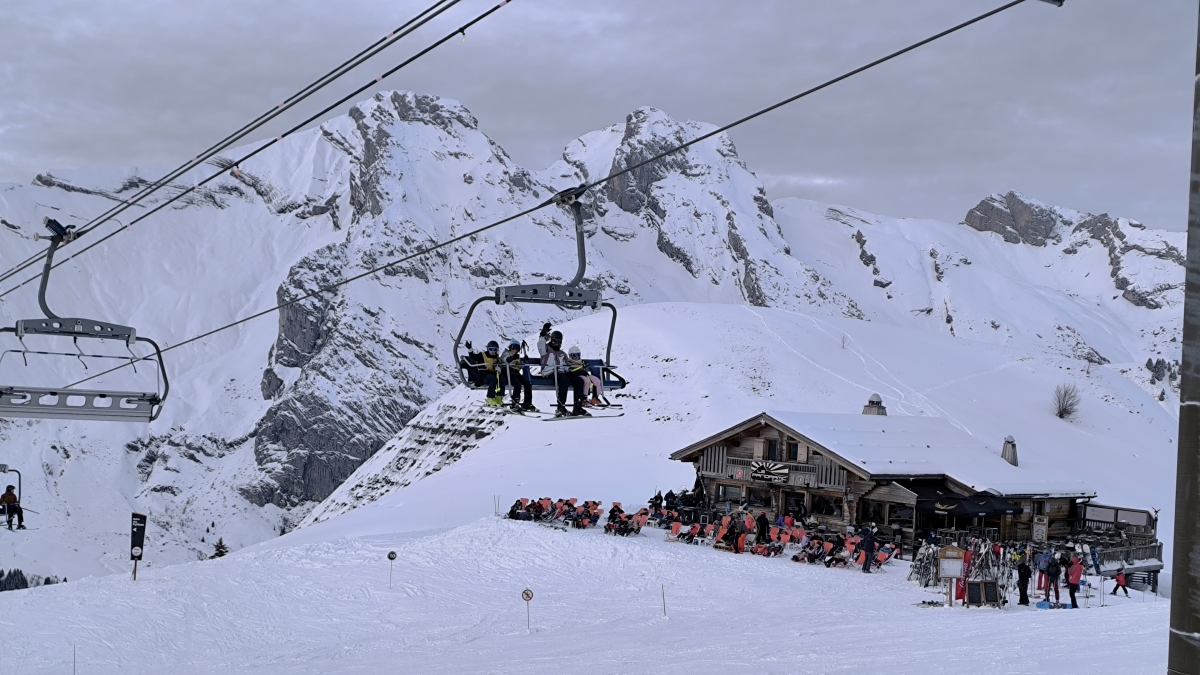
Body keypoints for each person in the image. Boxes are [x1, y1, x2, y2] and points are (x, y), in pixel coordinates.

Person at [540, 331, 587, 416]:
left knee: (579, 380)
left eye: (559, 342)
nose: (557, 343)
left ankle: (577, 407)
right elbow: (540, 346)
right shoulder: (546, 350)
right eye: (555, 341)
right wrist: (542, 336)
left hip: (562, 373)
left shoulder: (562, 354)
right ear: (551, 340)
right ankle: (560, 407)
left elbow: (566, 366)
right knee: (564, 380)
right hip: (550, 372)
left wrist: (573, 370)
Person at [500, 340, 535, 410]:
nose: (514, 350)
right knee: (517, 384)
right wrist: (511, 358)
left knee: (527, 384)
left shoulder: (517, 356)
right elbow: (505, 359)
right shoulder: (506, 353)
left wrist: (524, 361)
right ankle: (515, 403)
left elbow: (519, 366)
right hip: (508, 372)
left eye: (517, 348)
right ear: (510, 347)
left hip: (515, 372)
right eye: (513, 348)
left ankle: (527, 403)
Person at [481, 340, 503, 405]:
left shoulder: (497, 358)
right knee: (493, 379)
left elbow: (501, 365)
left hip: (494, 374)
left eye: (494, 349)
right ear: (488, 349)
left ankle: (499, 397)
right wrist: (470, 350)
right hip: (485, 375)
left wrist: (499, 368)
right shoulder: (483, 356)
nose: (493, 351)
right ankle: (490, 398)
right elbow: (474, 357)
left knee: (502, 379)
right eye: (491, 349)